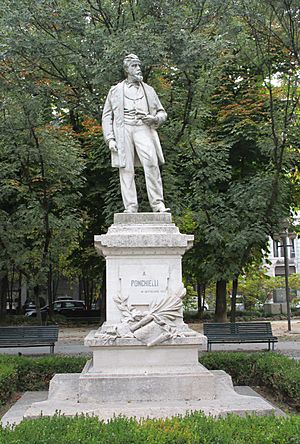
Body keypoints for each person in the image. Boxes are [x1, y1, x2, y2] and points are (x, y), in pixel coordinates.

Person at [102, 54, 170, 213]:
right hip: (123, 129)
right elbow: (106, 116)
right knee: (126, 169)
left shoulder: (149, 90)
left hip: (143, 128)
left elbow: (162, 112)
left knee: (152, 164)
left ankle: (158, 204)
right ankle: (131, 207)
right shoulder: (115, 90)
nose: (138, 68)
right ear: (127, 69)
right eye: (134, 66)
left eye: (139, 65)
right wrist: (110, 139)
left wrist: (154, 119)